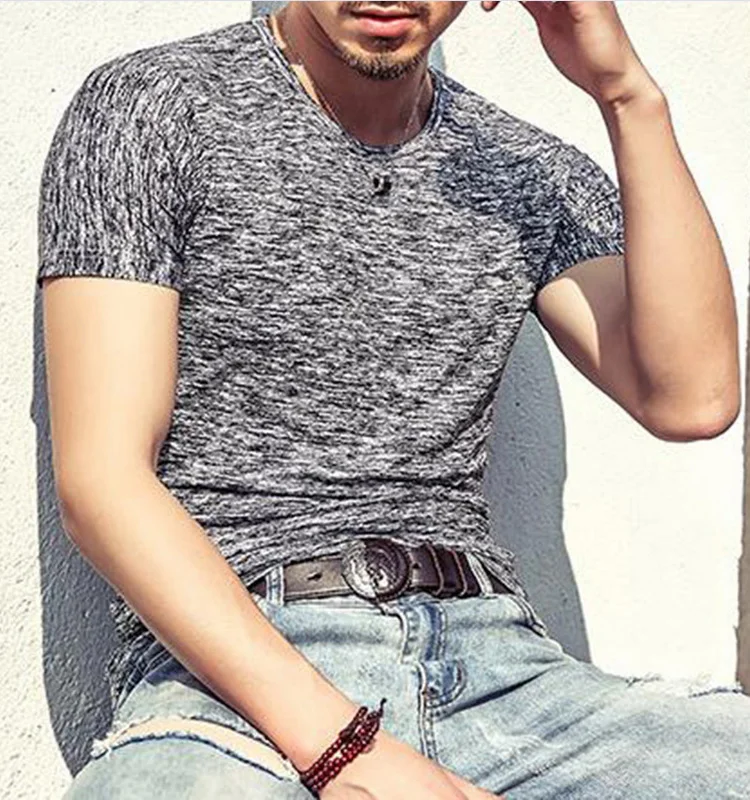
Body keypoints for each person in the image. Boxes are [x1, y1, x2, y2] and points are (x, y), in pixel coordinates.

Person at [37, 1, 748, 798]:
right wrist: (346, 750)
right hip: (237, 682)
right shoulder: (154, 107)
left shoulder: (526, 168)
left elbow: (691, 397)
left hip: (497, 669)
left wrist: (627, 95)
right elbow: (102, 484)